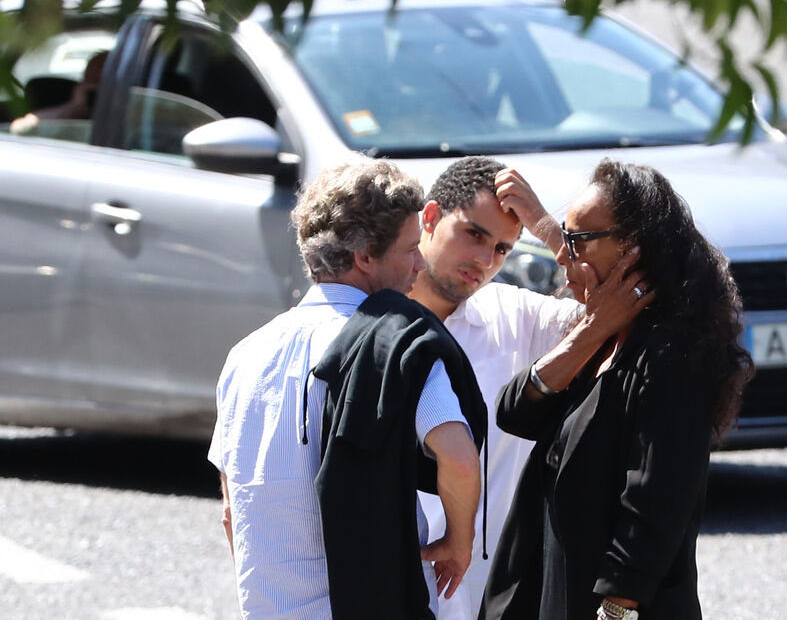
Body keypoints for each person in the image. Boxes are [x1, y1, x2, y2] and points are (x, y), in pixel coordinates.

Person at [207, 160, 484, 619]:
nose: (419, 264)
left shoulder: (243, 357)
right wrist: (459, 541)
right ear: (365, 257)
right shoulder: (396, 341)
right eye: (410, 249)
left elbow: (232, 510)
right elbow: (456, 455)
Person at [482, 159, 754, 620]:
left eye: (575, 241)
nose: (562, 256)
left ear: (632, 249)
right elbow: (514, 412)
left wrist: (616, 611)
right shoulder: (600, 335)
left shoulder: (671, 355)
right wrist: (592, 328)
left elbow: (655, 504)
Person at [411, 156, 643, 619]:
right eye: (474, 234)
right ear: (431, 217)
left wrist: (550, 231)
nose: (484, 260)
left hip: (494, 593)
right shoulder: (365, 323)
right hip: (397, 585)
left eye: (501, 249)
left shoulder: (515, 318)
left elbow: (628, 303)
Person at [11, 50, 108, 135]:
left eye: (106, 84)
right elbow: (20, 128)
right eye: (91, 83)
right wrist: (75, 107)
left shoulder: (120, 119)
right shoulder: (74, 115)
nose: (98, 92)